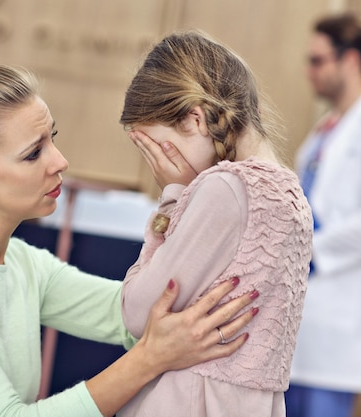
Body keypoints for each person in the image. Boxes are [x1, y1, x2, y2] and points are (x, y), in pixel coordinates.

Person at [0, 64, 260, 417]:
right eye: (32, 153)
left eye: (52, 140)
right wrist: (151, 357)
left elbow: (134, 314)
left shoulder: (22, 263)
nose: (59, 162)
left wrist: (182, 192)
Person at [117, 30, 314, 417]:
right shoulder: (292, 195)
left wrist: (172, 194)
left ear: (195, 119)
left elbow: (137, 313)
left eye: (160, 146)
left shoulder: (225, 189)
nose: (159, 164)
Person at [285, 13, 361, 417]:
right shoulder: (326, 129)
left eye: (317, 61)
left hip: (339, 312)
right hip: (302, 314)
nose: (308, 72)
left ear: (350, 61)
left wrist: (310, 251)